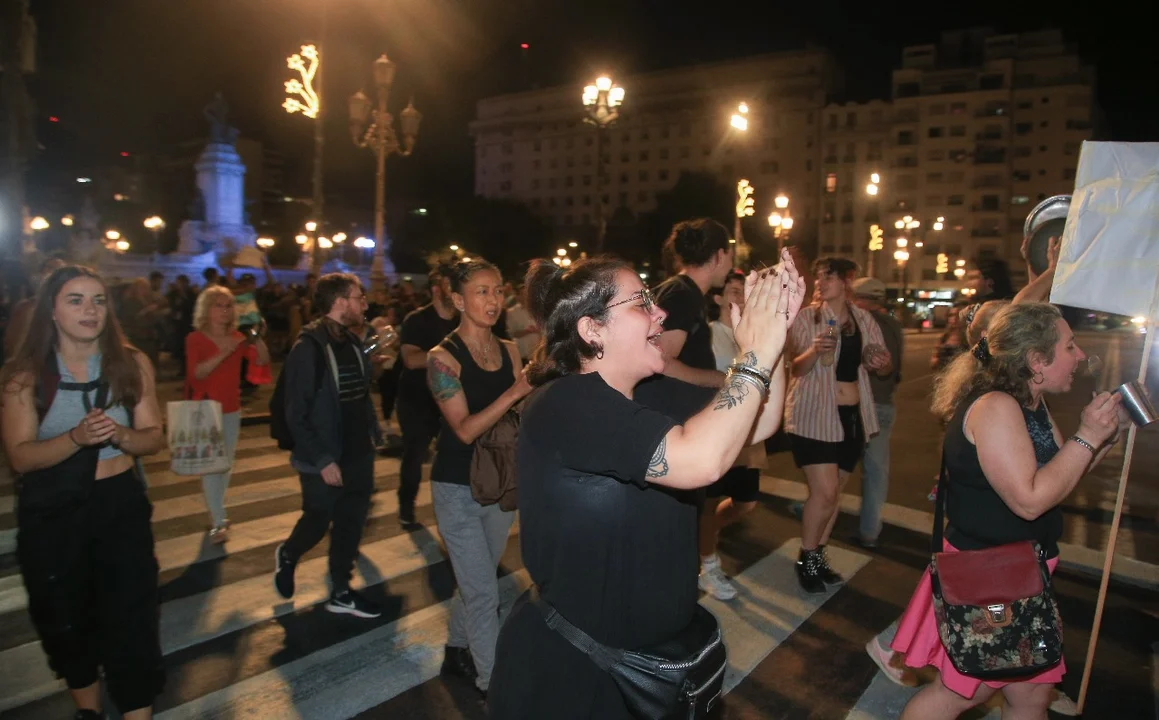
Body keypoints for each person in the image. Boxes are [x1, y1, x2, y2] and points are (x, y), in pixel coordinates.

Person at [487, 250, 804, 719]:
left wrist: (772, 339)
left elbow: (756, 424)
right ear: (592, 329)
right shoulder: (566, 404)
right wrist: (754, 354)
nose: (660, 313)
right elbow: (700, 460)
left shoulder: (651, 391)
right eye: (641, 303)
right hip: (579, 677)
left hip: (653, 664)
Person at [892, 302, 1125, 719]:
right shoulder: (996, 407)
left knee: (1032, 696)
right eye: (1069, 346)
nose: (1078, 355)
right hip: (993, 578)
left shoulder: (1029, 401)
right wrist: (1086, 436)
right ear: (1037, 360)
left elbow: (1057, 471)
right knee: (963, 693)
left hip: (1023, 570)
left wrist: (1104, 437)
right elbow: (1030, 499)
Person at [1, 265, 166, 719]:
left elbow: (153, 435)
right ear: (51, 310)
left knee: (132, 620)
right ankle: (88, 712)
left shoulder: (132, 363)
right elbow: (20, 456)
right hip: (53, 514)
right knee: (66, 620)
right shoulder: (24, 375)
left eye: (98, 300)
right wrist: (75, 439)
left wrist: (121, 436)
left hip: (119, 506)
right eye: (75, 299)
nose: (89, 310)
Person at [426, 259, 530, 697]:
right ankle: (493, 683)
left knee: (479, 576)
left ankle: (455, 649)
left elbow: (520, 415)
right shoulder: (442, 359)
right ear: (457, 300)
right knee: (485, 593)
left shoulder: (508, 349)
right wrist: (515, 391)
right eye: (481, 292)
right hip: (456, 486)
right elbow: (465, 428)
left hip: (500, 480)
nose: (493, 301)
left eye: (497, 290)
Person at [272, 273, 383, 619]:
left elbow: (358, 395)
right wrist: (322, 459)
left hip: (358, 451)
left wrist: (373, 431)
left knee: (351, 522)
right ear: (339, 302)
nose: (364, 303)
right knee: (318, 519)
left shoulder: (351, 342)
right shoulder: (308, 349)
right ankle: (289, 553)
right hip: (325, 456)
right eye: (358, 297)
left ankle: (341, 590)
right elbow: (296, 412)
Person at [784, 257, 892, 593]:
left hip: (852, 418)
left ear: (847, 281)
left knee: (835, 496)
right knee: (825, 492)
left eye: (828, 276)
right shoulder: (807, 318)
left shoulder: (863, 320)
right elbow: (795, 369)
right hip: (813, 415)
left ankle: (817, 557)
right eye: (818, 276)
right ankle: (807, 559)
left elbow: (883, 367)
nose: (820, 281)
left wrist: (881, 361)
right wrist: (814, 351)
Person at [696, 270, 781, 601]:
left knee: (746, 503)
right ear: (717, 298)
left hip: (749, 430)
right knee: (711, 501)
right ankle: (708, 562)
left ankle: (706, 535)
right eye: (733, 291)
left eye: (743, 292)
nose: (740, 297)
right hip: (718, 429)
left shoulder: (754, 335)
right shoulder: (709, 335)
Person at [185, 285, 270, 543]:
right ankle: (218, 520)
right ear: (206, 310)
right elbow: (196, 373)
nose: (225, 311)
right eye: (218, 306)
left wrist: (257, 338)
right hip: (204, 408)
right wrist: (226, 351)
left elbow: (262, 361)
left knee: (226, 465)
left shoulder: (237, 337)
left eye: (228, 306)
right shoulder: (195, 339)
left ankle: (217, 512)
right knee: (212, 466)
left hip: (232, 408)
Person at [394, 267, 459, 527]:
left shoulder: (463, 321)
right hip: (416, 400)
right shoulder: (416, 320)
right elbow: (410, 360)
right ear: (435, 289)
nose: (455, 290)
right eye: (448, 285)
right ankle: (406, 507)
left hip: (451, 398)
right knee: (415, 454)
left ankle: (454, 508)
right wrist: (448, 358)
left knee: (453, 455)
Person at [850, 277, 903, 549]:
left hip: (856, 403)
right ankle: (870, 531)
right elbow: (896, 371)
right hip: (884, 404)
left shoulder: (856, 324)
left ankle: (817, 514)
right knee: (876, 473)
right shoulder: (894, 325)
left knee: (835, 466)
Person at [653, 217, 735, 388]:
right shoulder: (682, 295)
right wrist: (719, 378)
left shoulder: (682, 291)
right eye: (731, 258)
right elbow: (661, 361)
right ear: (719, 256)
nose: (731, 268)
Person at [3, 257, 66, 360]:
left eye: (59, 270)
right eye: (50, 268)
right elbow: (11, 340)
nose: (53, 273)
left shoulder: (68, 310)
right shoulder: (25, 307)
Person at [931, 305, 968, 372]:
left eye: (958, 315)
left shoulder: (968, 337)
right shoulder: (944, 337)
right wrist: (935, 359)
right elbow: (934, 359)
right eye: (951, 315)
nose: (954, 318)